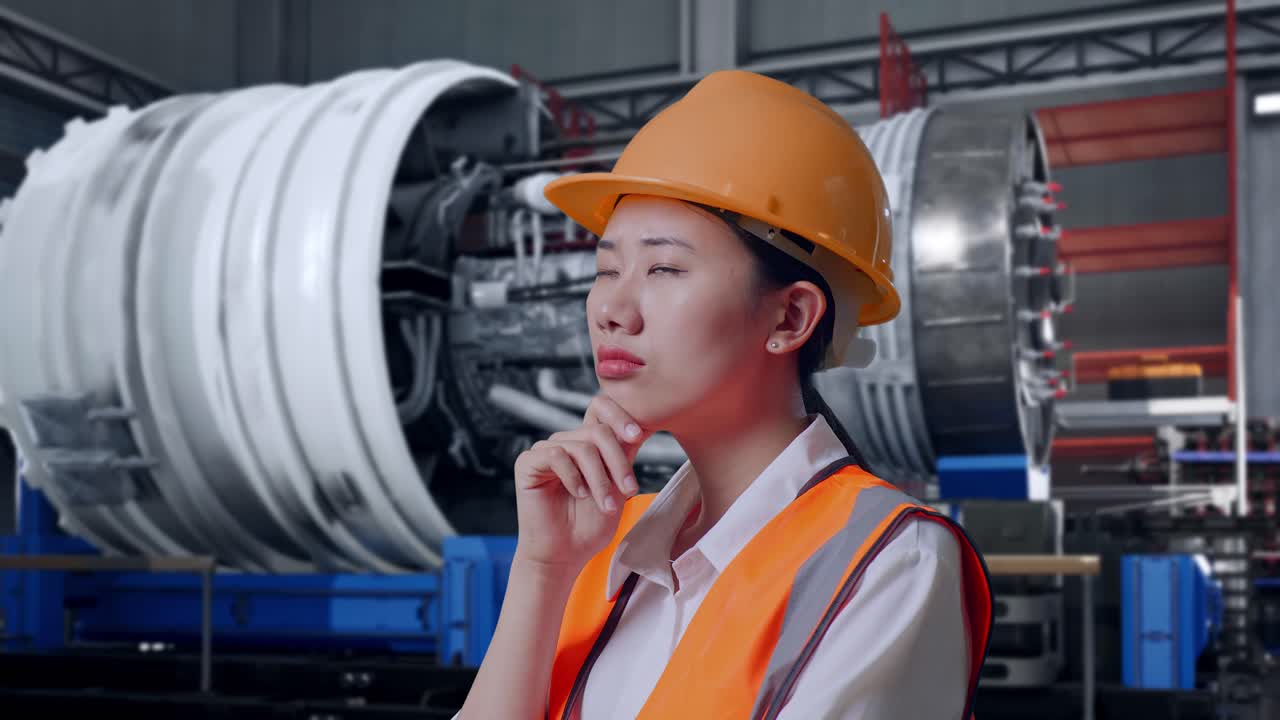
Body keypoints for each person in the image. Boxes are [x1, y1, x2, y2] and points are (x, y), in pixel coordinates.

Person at [455, 70, 992, 720]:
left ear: (790, 319)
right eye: (606, 270)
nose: (610, 310)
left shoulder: (888, 563)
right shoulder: (603, 545)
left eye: (664, 268)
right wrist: (542, 569)